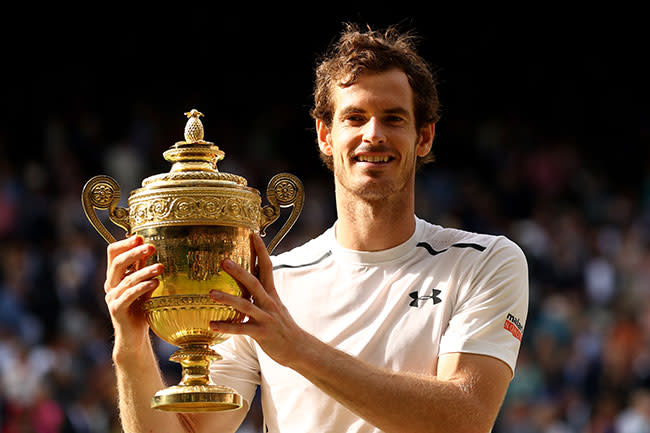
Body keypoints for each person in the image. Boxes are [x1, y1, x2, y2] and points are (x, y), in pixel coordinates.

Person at [103, 23, 529, 433]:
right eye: (355, 117)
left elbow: (466, 420)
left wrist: (297, 349)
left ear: (425, 137)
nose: (374, 134)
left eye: (394, 118)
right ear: (325, 134)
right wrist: (131, 347)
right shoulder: (268, 286)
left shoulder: (485, 262)